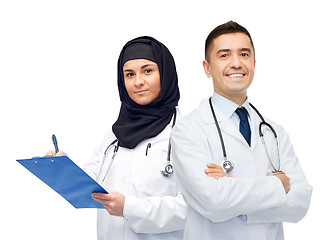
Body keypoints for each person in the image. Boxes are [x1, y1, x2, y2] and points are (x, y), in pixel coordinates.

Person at [170, 21, 312, 240]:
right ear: (207, 68)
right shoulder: (187, 130)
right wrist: (278, 184)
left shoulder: (274, 132)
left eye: (244, 54)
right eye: (224, 55)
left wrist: (231, 188)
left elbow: (300, 202)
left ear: (254, 63)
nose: (236, 63)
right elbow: (214, 201)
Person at [47, 36, 193, 240]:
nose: (138, 81)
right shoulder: (115, 134)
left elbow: (193, 208)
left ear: (165, 74)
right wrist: (62, 168)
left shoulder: (188, 135)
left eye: (148, 71)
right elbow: (92, 183)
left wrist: (129, 208)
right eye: (129, 74)